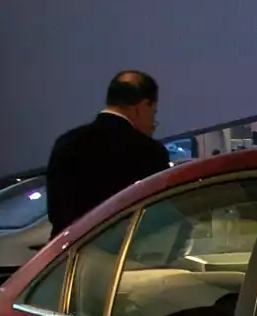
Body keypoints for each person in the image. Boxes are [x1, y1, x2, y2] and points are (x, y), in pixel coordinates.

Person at [44, 70, 170, 232]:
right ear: (143, 106)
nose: (153, 123)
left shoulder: (65, 142)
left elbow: (56, 213)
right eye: (153, 113)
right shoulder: (149, 151)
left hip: (71, 245)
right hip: (124, 246)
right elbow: (159, 217)